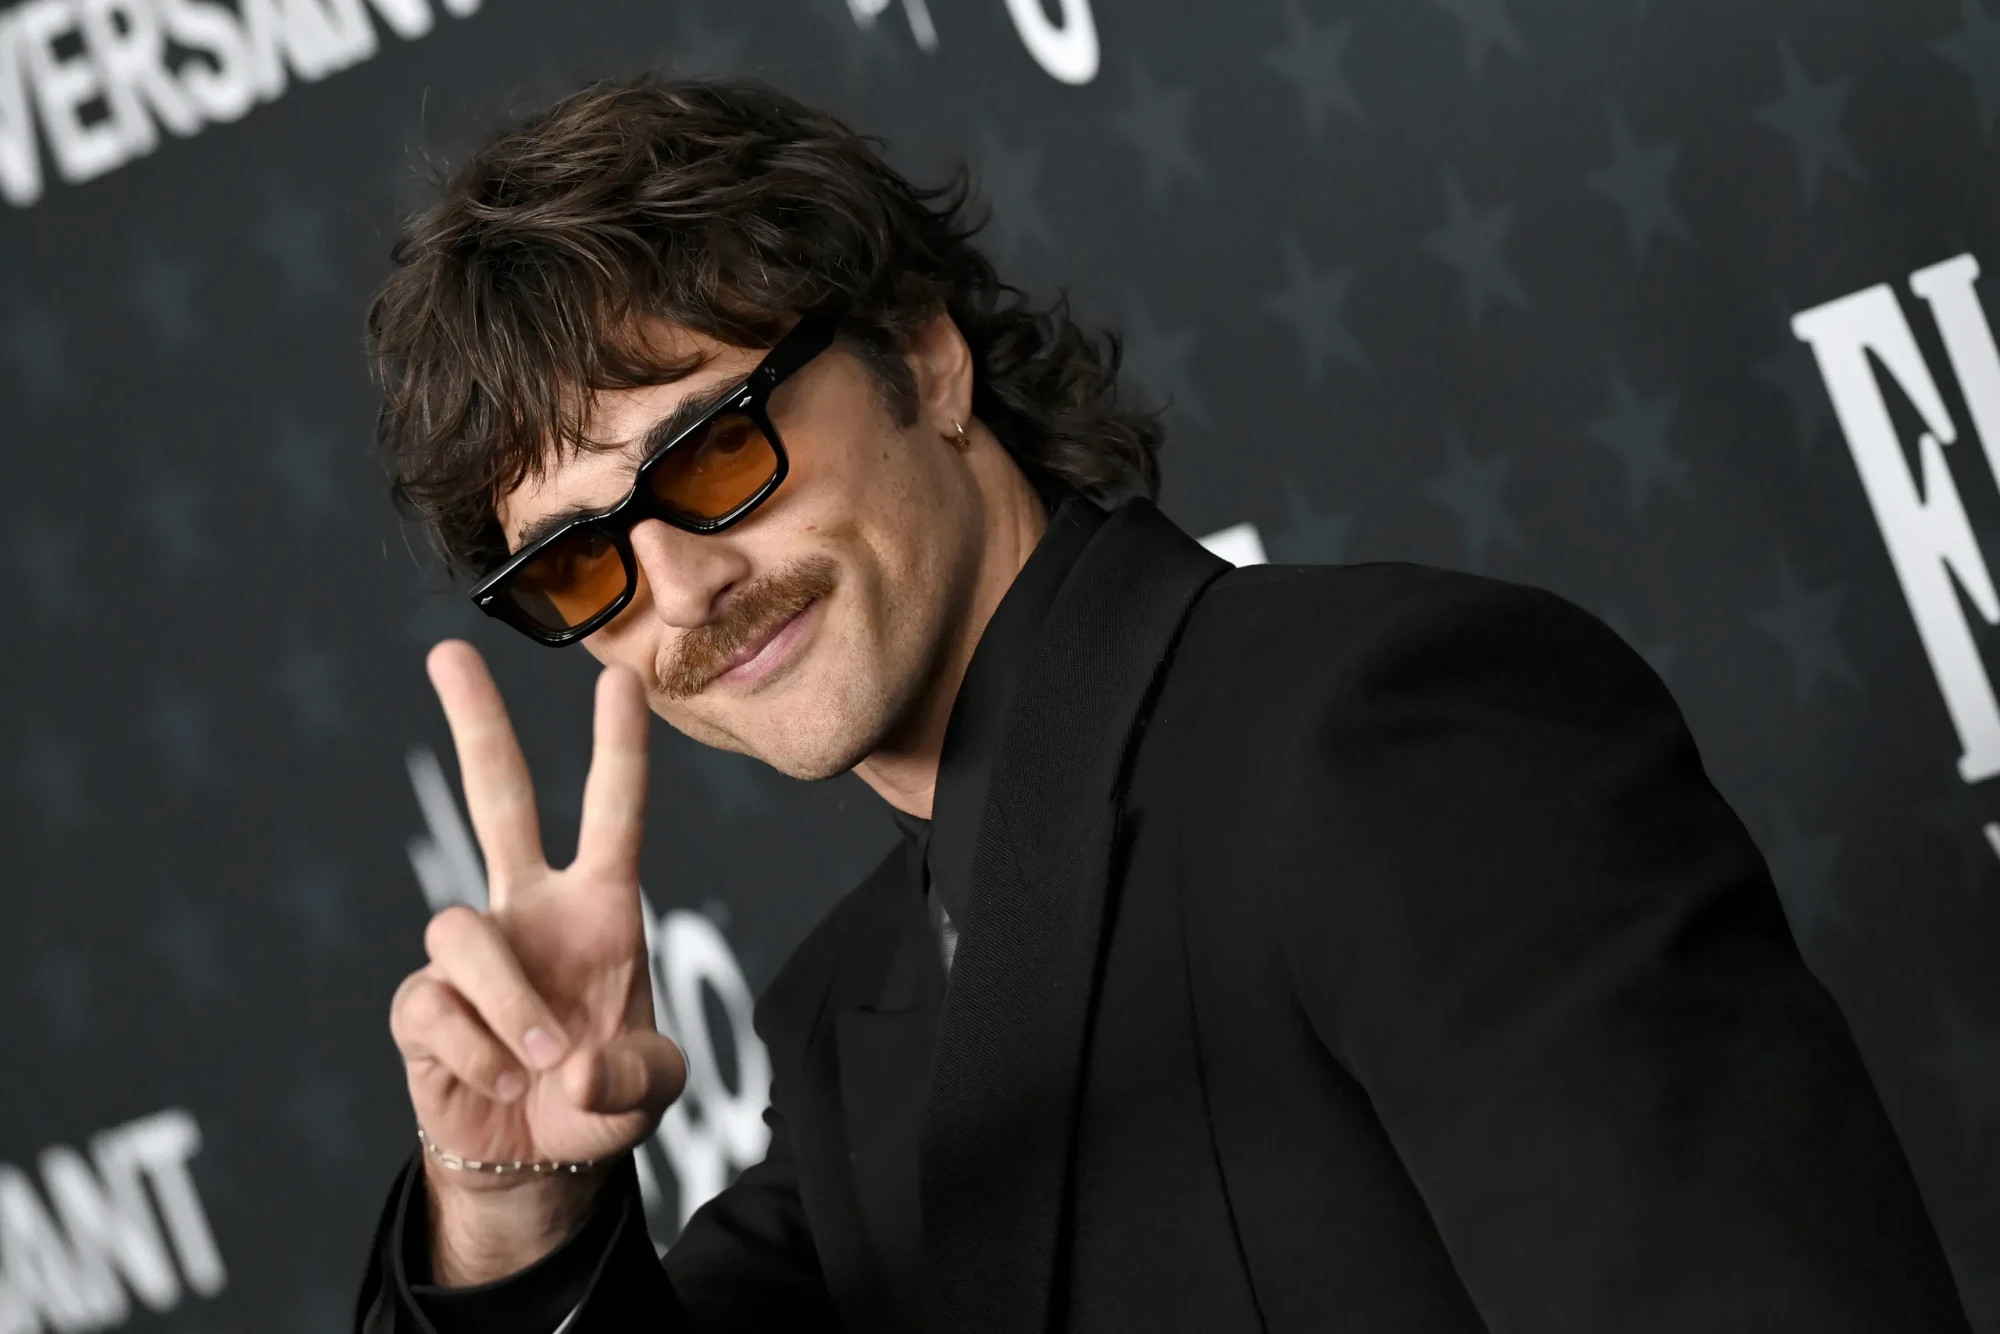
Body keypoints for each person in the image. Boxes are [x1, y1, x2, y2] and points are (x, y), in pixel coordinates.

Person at [351, 75, 1971, 1333]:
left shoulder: (1379, 729)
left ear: (926, 358)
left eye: (715, 453)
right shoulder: (850, 1020)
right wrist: (507, 1209)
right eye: (581, 564)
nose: (681, 585)